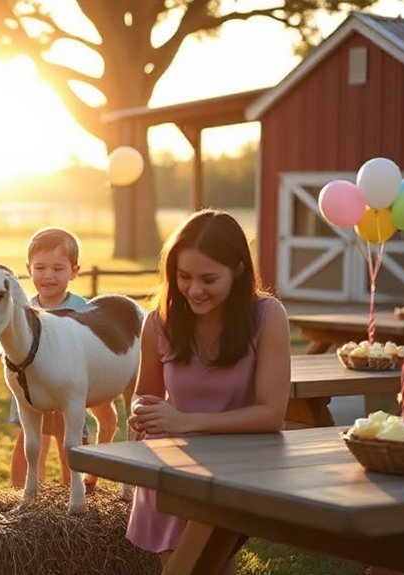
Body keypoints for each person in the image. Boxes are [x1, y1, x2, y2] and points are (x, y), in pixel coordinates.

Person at [126, 209, 291, 573]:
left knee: (208, 562)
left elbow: (271, 415)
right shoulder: (158, 323)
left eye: (208, 279)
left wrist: (185, 421)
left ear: (239, 270)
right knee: (192, 564)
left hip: (239, 465)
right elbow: (144, 394)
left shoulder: (267, 316)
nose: (194, 290)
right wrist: (142, 410)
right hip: (173, 466)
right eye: (184, 277)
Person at [9, 227, 95, 489]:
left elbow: (94, 348)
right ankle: (24, 490)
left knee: (69, 438)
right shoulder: (24, 309)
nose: (48, 275)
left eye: (58, 269)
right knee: (31, 440)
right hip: (33, 389)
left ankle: (75, 487)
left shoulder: (82, 309)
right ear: (29, 268)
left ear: (74, 271)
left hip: (68, 388)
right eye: (40, 267)